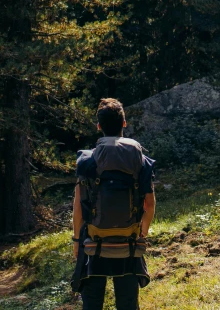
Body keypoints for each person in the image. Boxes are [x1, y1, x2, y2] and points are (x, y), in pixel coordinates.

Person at [72, 98, 156, 310]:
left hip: (94, 241)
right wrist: (141, 234)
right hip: (128, 243)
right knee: (128, 303)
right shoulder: (140, 160)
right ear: (124, 123)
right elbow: (150, 204)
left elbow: (78, 207)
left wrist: (76, 240)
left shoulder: (87, 161)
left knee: (92, 303)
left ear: (99, 126)